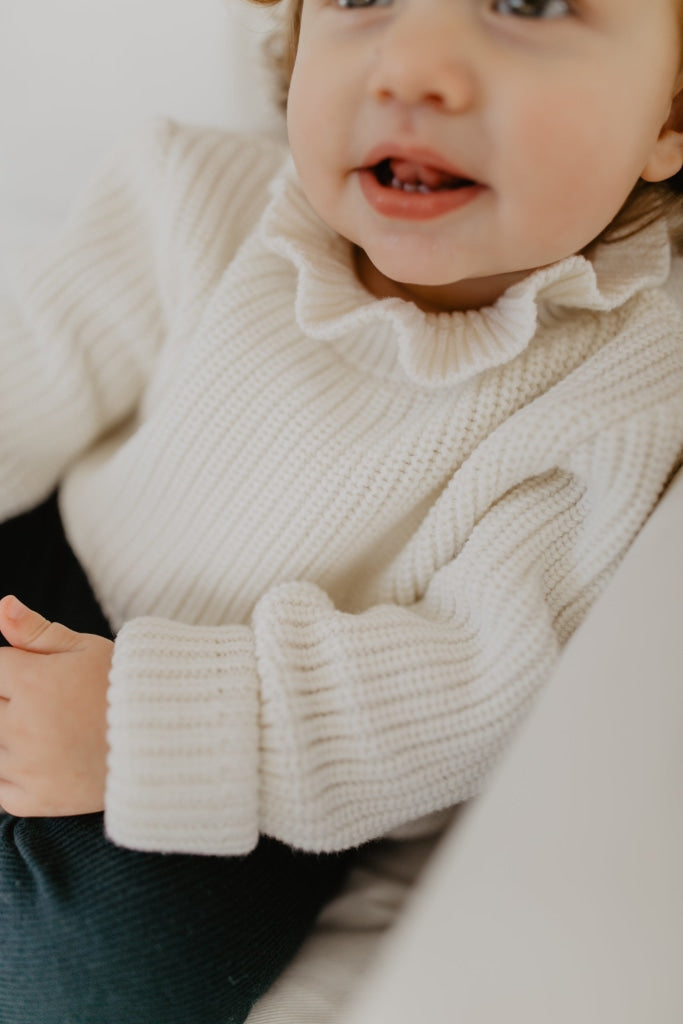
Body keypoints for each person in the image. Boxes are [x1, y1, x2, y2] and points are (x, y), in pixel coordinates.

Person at [1, 0, 683, 1021]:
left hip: (255, 751)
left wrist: (125, 722)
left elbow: (472, 683)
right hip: (56, 571)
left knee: (110, 968)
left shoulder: (623, 390)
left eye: (527, 4)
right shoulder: (198, 194)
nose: (411, 67)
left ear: (669, 113)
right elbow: (30, 378)